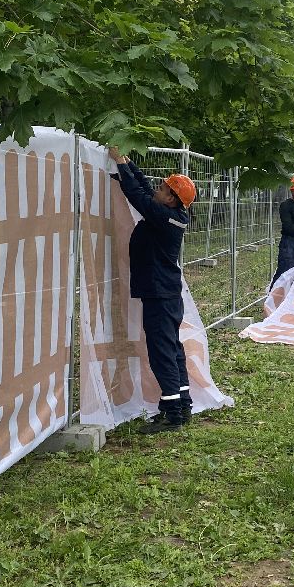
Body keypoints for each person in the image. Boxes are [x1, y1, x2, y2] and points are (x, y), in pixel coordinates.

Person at [110, 147, 197, 433]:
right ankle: (183, 404)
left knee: (162, 352)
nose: (158, 188)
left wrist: (121, 163)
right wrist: (129, 164)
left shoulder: (163, 217)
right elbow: (146, 190)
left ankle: (172, 412)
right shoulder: (171, 213)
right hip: (167, 294)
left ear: (171, 198)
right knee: (173, 349)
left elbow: (137, 195)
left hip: (160, 295)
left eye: (163, 187)